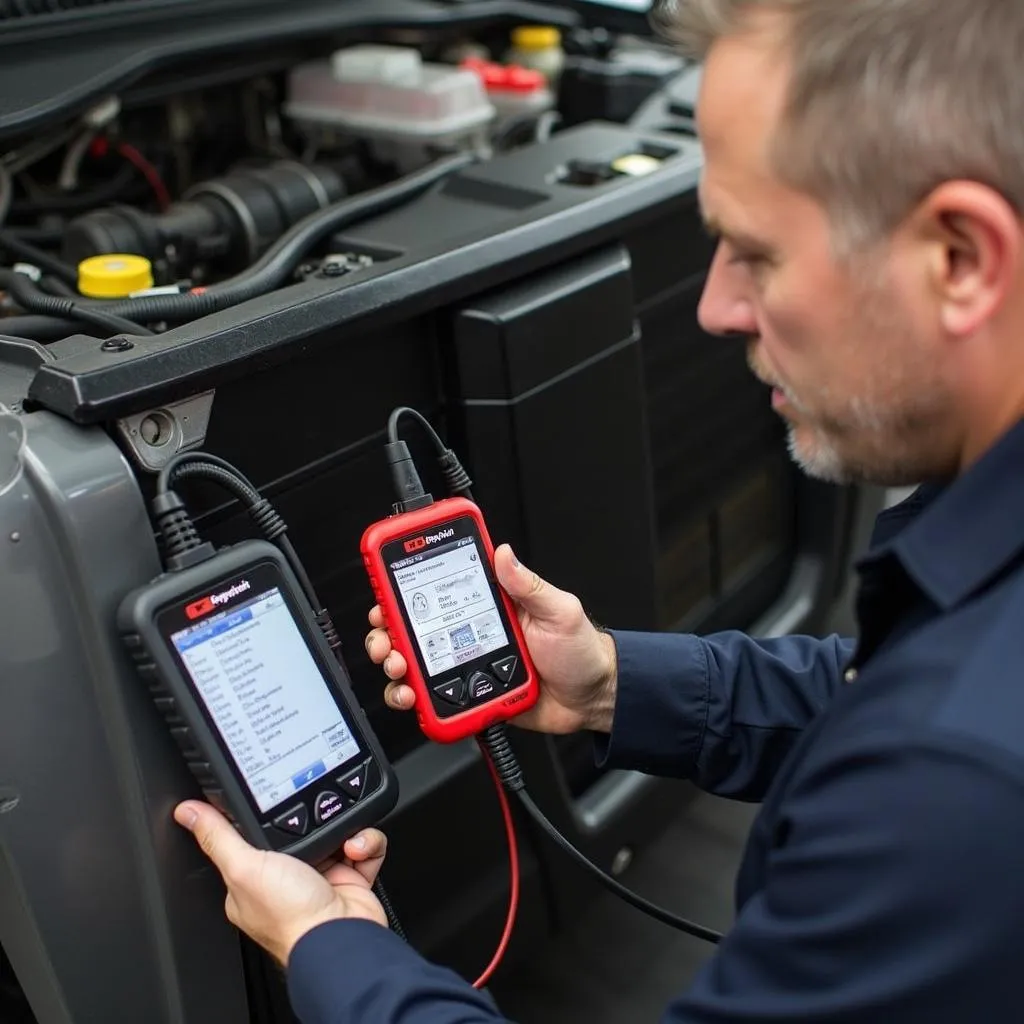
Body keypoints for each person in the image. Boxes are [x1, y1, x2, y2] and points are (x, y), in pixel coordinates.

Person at [172, 0, 1024, 1019]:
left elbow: (935, 765)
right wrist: (611, 683)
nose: (713, 308)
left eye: (754, 252)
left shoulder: (957, 792)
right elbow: (878, 706)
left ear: (962, 259)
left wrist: (332, 949)